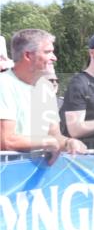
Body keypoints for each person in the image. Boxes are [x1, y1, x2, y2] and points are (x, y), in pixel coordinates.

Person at [0, 29, 86, 157]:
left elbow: (54, 136)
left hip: (38, 173)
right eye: (48, 52)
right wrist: (47, 142)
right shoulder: (4, 84)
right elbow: (6, 141)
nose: (54, 58)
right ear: (28, 55)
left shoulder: (46, 87)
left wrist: (69, 142)